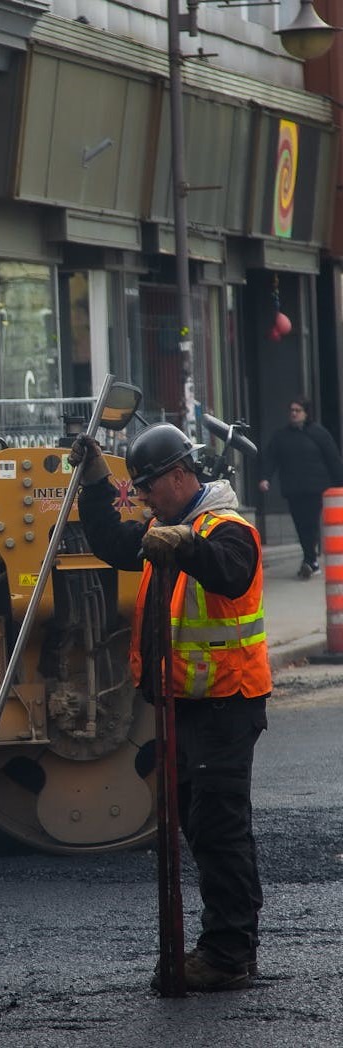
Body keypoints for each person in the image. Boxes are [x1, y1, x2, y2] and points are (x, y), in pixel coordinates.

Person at [70, 424, 269, 992]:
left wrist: (183, 545)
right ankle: (227, 948)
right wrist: (95, 482)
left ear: (180, 476)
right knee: (201, 826)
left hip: (226, 705)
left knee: (219, 829)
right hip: (186, 704)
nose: (144, 498)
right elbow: (112, 541)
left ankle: (228, 954)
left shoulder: (227, 530)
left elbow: (229, 572)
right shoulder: (168, 525)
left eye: (149, 486)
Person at [258, 397, 343, 578]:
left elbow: (333, 458)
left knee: (311, 524)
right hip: (293, 489)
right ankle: (310, 560)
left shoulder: (319, 433)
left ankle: (309, 560)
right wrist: (266, 478)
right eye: (292, 411)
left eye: (298, 410)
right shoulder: (282, 436)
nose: (294, 414)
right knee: (300, 524)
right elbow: (271, 458)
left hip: (315, 488)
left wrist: (339, 483)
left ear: (306, 413)